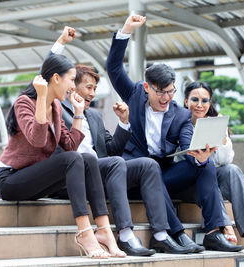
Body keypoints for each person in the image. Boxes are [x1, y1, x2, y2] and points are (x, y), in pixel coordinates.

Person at [47, 27, 193, 256]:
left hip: (100, 173)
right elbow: (45, 74)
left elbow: (113, 150)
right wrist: (61, 42)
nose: (92, 93)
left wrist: (124, 123)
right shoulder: (55, 107)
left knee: (148, 164)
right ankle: (125, 235)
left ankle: (161, 235)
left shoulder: (94, 116)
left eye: (95, 88)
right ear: (70, 85)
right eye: (88, 87)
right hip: (71, 176)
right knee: (115, 163)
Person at [106, 15, 244, 252]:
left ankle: (213, 232)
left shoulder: (180, 115)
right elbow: (114, 68)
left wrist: (199, 158)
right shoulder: (135, 94)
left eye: (170, 92)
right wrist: (126, 30)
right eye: (160, 92)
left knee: (206, 165)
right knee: (151, 167)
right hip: (134, 172)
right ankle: (177, 233)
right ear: (147, 87)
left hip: (163, 174)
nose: (166, 98)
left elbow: (188, 145)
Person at [0, 53, 123, 259]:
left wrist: (79, 112)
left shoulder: (56, 108)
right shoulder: (24, 103)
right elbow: (37, 140)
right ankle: (84, 233)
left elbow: (71, 147)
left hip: (36, 180)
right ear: (55, 78)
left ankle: (104, 231)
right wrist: (42, 96)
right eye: (71, 79)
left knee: (87, 158)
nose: (73, 86)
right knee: (73, 159)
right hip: (11, 180)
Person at [183, 81, 244, 249]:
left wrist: (222, 135)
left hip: (213, 175)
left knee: (232, 170)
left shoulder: (214, 122)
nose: (199, 105)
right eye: (194, 100)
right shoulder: (179, 122)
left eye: (205, 101)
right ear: (185, 101)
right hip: (189, 181)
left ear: (210, 103)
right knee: (208, 175)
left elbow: (225, 161)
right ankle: (225, 226)